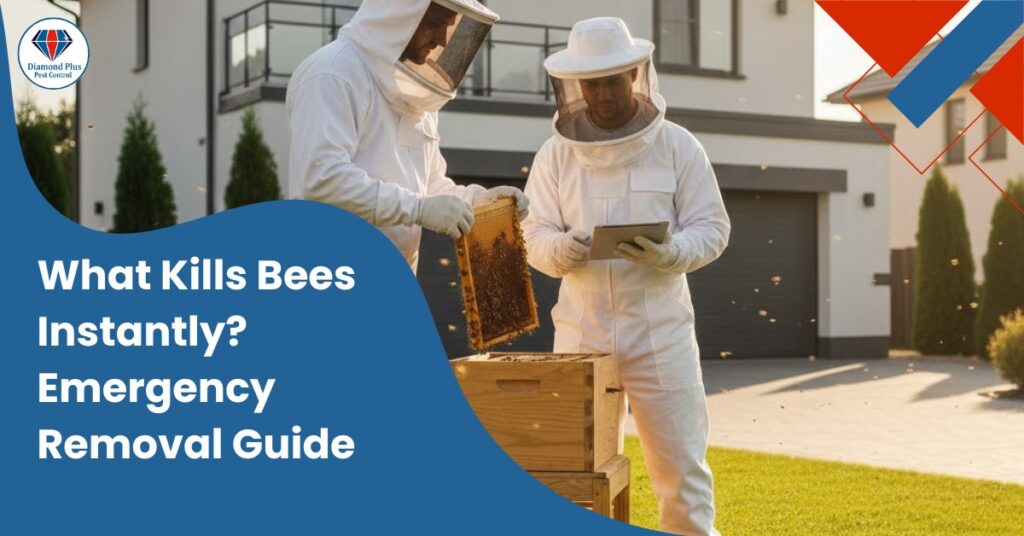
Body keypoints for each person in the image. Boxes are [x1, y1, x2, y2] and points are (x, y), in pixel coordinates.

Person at [522, 17, 730, 536]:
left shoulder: (679, 146)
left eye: (612, 80)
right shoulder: (554, 154)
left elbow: (713, 227)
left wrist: (671, 252)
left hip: (659, 330)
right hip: (580, 330)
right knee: (572, 474)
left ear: (634, 76)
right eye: (590, 83)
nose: (601, 93)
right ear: (575, 85)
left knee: (681, 471)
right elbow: (532, 232)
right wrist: (560, 250)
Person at [286, 0, 528, 272]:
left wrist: (480, 202)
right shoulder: (332, 73)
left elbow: (430, 186)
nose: (442, 39)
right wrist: (417, 209)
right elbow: (323, 181)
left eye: (448, 27)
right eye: (434, 24)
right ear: (397, 13)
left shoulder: (413, 92)